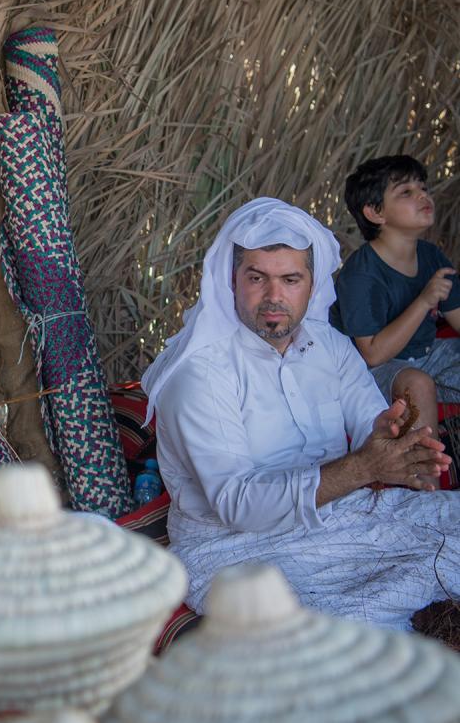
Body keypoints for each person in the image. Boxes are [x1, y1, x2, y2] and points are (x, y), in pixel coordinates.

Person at [141, 197, 460, 631]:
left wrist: (394, 439)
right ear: (231, 280)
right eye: (257, 278)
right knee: (351, 632)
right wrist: (365, 465)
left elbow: (371, 419)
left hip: (346, 515)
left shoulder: (327, 346)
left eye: (291, 279)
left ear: (312, 285)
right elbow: (238, 505)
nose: (274, 297)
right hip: (236, 550)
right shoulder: (200, 373)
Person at [333, 155, 460, 438]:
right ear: (375, 213)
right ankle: (421, 479)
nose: (423, 196)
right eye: (406, 192)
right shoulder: (361, 274)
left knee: (422, 375)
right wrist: (425, 301)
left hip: (428, 356)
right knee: (417, 384)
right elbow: (373, 354)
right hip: (368, 373)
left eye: (423, 188)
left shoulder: (431, 256)